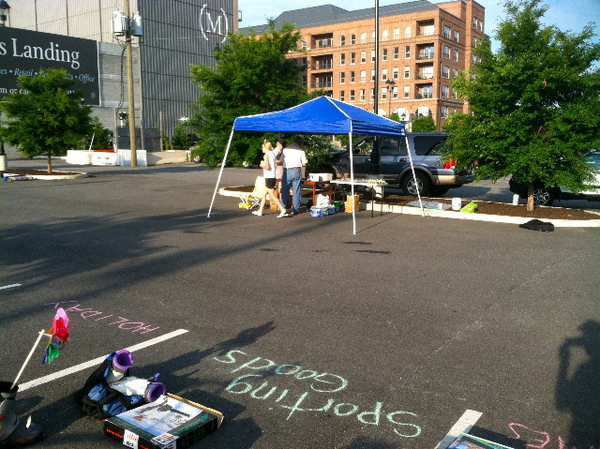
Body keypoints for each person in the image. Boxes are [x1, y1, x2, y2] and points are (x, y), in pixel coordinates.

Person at [253, 139, 288, 218]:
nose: (262, 149)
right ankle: (260, 210)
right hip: (271, 176)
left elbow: (267, 167)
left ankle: (282, 209)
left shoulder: (266, 155)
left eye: (263, 148)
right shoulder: (272, 153)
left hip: (269, 177)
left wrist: (261, 165)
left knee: (272, 195)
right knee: (264, 194)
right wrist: (265, 141)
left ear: (266, 148)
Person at [279, 137, 308, 215]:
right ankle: (295, 209)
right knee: (296, 190)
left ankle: (283, 207)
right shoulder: (301, 150)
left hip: (286, 170)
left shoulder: (285, 149)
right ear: (300, 143)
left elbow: (281, 160)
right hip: (296, 170)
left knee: (285, 190)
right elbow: (304, 163)